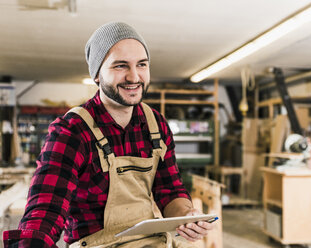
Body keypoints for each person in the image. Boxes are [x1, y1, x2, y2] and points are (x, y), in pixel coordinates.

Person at [3, 22, 214, 248]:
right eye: (120, 66)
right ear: (96, 74)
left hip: (150, 242)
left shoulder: (156, 125)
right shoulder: (72, 131)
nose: (134, 77)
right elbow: (46, 209)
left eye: (141, 64)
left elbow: (170, 189)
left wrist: (186, 216)